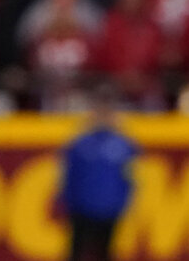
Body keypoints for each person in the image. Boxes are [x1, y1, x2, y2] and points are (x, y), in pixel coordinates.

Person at [59, 85, 139, 261]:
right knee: (76, 250)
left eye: (107, 111)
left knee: (105, 251)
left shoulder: (123, 144)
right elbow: (68, 175)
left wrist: (124, 204)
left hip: (109, 210)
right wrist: (66, 202)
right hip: (82, 209)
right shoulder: (80, 143)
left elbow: (130, 177)